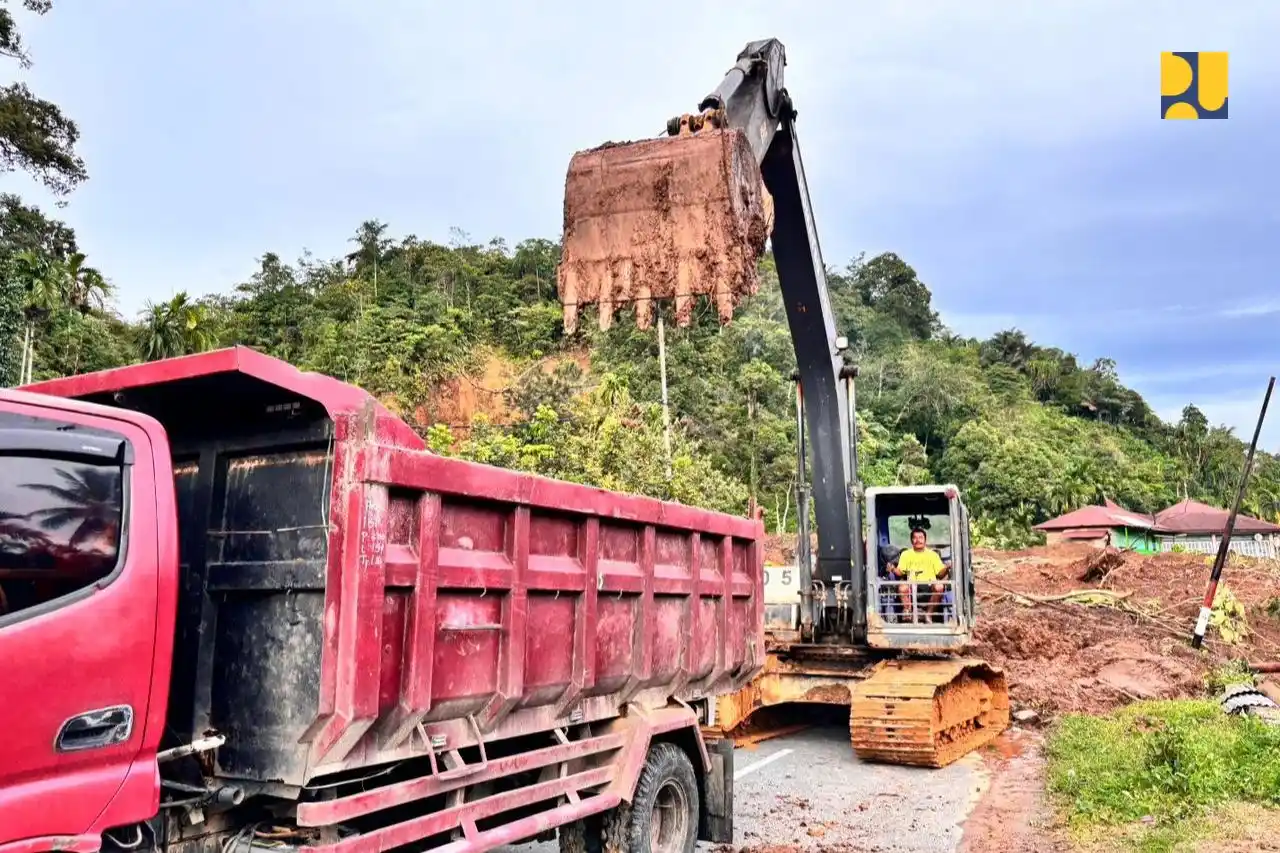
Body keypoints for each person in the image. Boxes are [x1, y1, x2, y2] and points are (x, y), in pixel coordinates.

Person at [890, 527, 949, 621]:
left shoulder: (933, 555)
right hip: (912, 585)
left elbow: (941, 574)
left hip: (929, 585)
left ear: (925, 540)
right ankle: (908, 612)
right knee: (902, 587)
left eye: (921, 537)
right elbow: (900, 572)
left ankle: (928, 615)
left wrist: (947, 568)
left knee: (939, 587)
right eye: (915, 538)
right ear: (911, 540)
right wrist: (893, 569)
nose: (918, 540)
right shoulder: (906, 554)